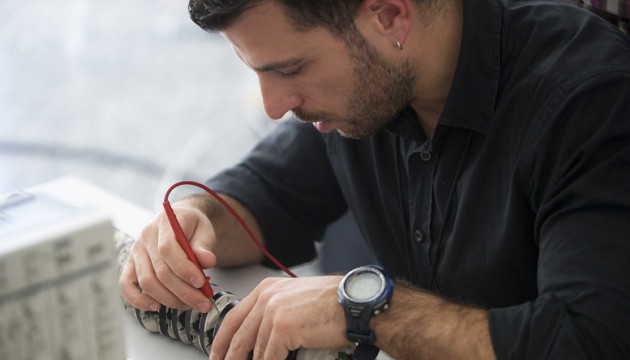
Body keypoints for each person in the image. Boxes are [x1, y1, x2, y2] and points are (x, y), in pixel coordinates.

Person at [119, 0, 630, 358]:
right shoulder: (370, 86)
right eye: (257, 72)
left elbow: (589, 342)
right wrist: (196, 222)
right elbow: (268, 193)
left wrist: (366, 308)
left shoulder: (592, 100)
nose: (273, 107)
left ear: (389, 16)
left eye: (290, 70)